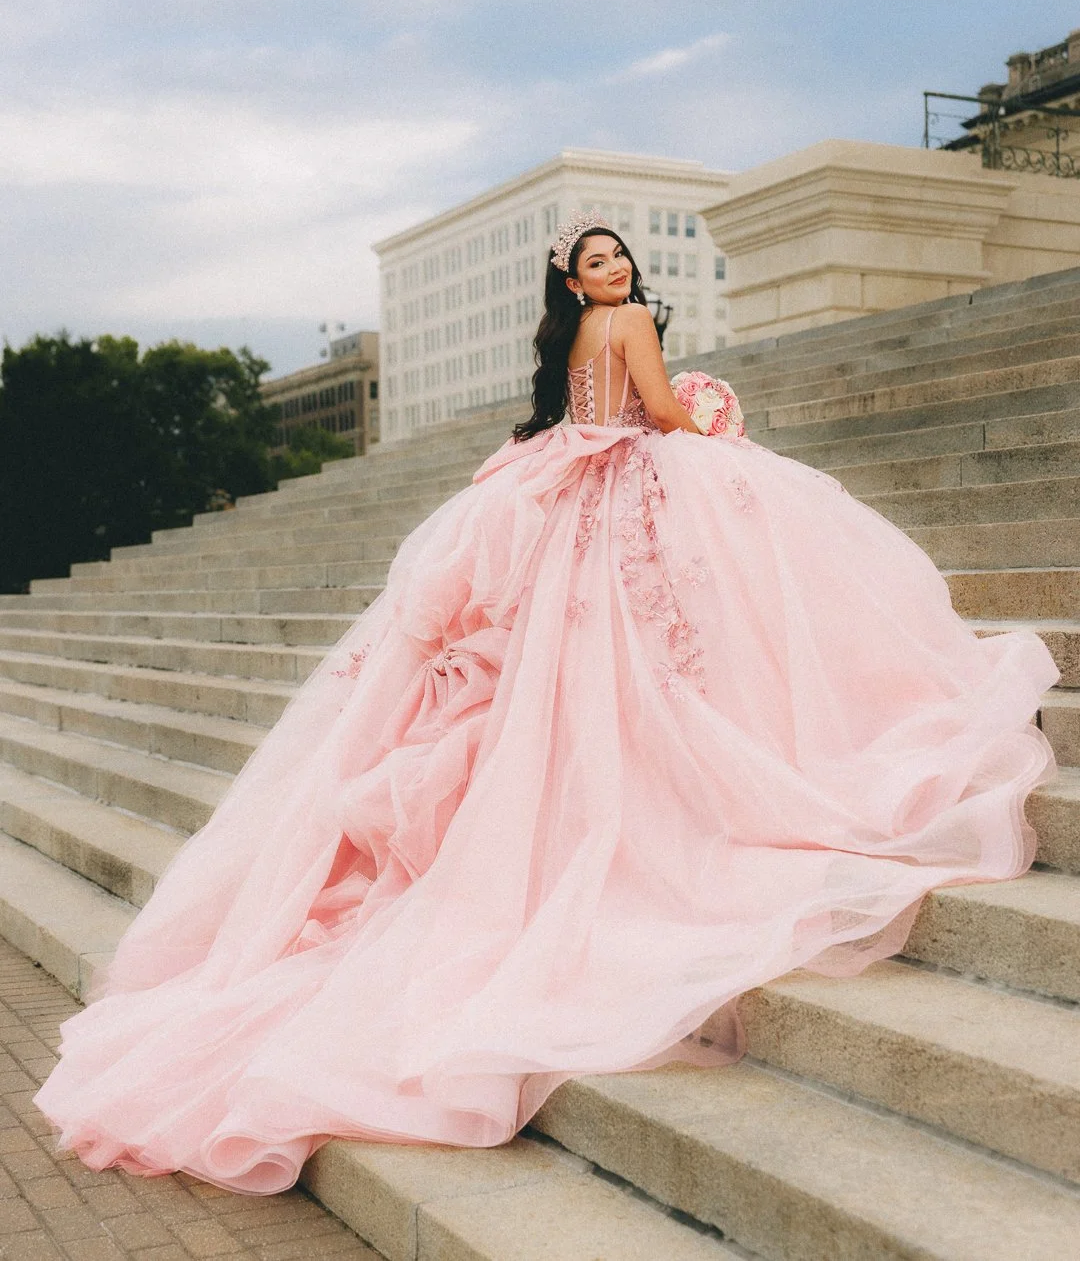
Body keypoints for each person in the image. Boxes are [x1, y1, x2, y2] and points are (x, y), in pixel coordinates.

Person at [34, 212, 1060, 1196]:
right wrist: (707, 410)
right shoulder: (634, 325)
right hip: (629, 479)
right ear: (578, 282)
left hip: (571, 487)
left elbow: (587, 416)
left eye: (620, 260)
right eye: (599, 263)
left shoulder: (576, 336)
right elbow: (656, 414)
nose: (614, 272)